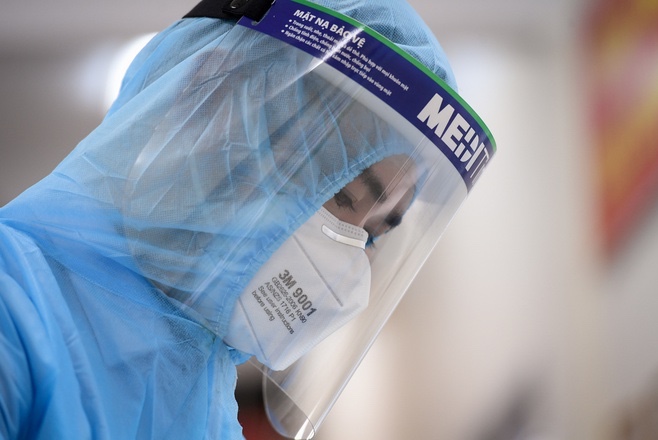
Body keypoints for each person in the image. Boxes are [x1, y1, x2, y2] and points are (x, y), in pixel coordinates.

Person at [0, 0, 467, 438]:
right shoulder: (14, 307)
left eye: (371, 235)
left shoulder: (206, 404)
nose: (348, 270)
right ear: (214, 101)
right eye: (343, 195)